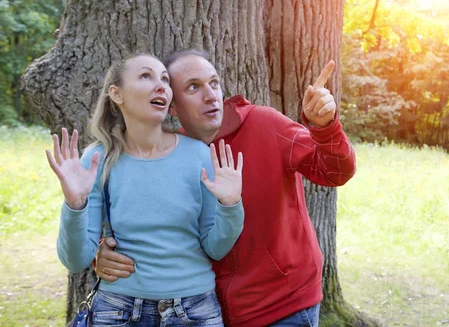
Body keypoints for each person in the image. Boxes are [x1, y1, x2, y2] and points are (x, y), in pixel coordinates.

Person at [95, 49, 357, 326]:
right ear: (171, 105)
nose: (210, 95)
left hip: (283, 306)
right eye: (193, 87)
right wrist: (102, 252)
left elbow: (335, 172)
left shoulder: (265, 124)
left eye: (214, 83)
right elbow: (150, 226)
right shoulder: (168, 154)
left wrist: (324, 127)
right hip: (203, 311)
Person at [46, 54, 244, 326]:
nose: (161, 85)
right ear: (117, 94)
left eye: (164, 78)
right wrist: (74, 205)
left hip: (195, 309)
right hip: (118, 309)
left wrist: (231, 204)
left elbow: (216, 248)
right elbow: (75, 259)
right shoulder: (97, 159)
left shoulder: (199, 155)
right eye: (145, 76)